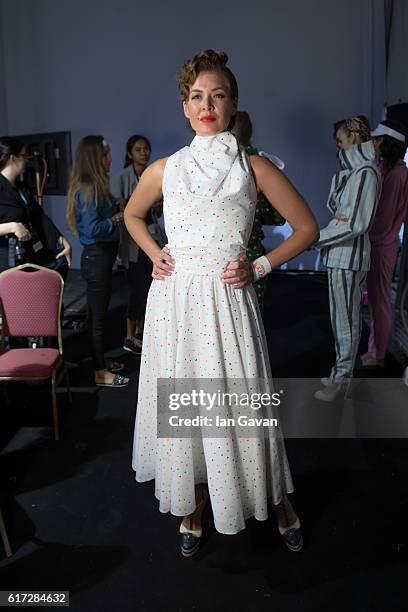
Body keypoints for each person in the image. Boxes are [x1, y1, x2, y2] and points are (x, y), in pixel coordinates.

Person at [125, 50, 318, 557]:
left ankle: (277, 500)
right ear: (184, 109)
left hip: (229, 300)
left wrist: (259, 266)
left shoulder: (253, 166)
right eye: (196, 96)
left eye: (217, 96)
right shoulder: (165, 168)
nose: (206, 104)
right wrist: (154, 254)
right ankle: (193, 502)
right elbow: (132, 216)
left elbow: (307, 229)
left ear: (232, 106)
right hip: (176, 302)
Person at [314, 116, 381, 401]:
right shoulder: (354, 172)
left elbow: (355, 224)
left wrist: (315, 238)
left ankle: (342, 381)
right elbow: (338, 211)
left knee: (347, 322)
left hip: (349, 257)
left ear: (354, 138)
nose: (337, 146)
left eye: (341, 140)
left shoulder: (366, 173)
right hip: (340, 255)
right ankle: (340, 375)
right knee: (340, 319)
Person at [66, 136, 129, 388]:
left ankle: (99, 362)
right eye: (106, 154)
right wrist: (118, 217)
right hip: (97, 259)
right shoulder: (88, 188)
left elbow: (99, 213)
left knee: (97, 316)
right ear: (94, 158)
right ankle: (100, 371)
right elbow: (93, 230)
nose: (110, 158)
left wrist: (116, 206)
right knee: (98, 319)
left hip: (100, 259)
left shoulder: (92, 186)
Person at [360, 120, 408, 367]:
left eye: (377, 140)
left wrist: (364, 234)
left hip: (382, 245)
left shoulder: (397, 173)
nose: (374, 143)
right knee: (378, 300)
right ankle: (375, 350)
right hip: (378, 242)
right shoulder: (387, 169)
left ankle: (378, 354)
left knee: (380, 302)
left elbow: (385, 215)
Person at [111, 135, 164, 355]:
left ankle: (143, 333)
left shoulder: (154, 174)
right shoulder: (122, 177)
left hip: (153, 237)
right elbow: (119, 208)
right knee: (137, 288)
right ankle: (129, 336)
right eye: (138, 149)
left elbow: (158, 212)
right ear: (130, 153)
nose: (143, 153)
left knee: (152, 287)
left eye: (146, 149)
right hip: (132, 241)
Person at [231, 111, 286, 312]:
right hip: (253, 255)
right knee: (253, 318)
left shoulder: (211, 164)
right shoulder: (261, 164)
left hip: (217, 263)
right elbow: (279, 217)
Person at [0, 136, 72, 275]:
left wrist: (61, 239)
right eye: (23, 156)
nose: (27, 160)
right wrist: (12, 227)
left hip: (27, 257)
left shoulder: (22, 188)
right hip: (5, 265)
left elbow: (39, 216)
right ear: (12, 158)